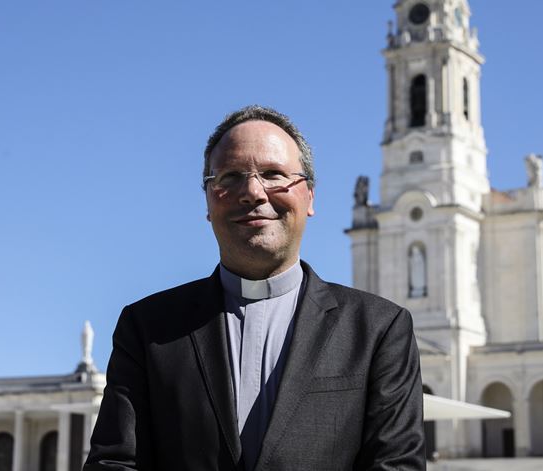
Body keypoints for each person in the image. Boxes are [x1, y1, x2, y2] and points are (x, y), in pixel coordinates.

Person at [84, 105, 425, 470]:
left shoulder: (379, 330)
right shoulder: (148, 327)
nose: (252, 192)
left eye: (274, 174)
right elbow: (115, 464)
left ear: (309, 196)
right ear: (208, 200)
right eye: (229, 177)